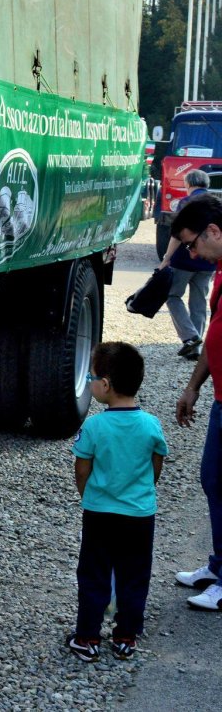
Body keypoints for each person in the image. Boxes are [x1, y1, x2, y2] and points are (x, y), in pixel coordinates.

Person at [66, 341, 167, 662]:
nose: (90, 382)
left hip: (100, 514)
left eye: (91, 377)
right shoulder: (151, 424)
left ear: (105, 385)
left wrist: (90, 495)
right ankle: (125, 637)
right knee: (134, 574)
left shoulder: (94, 426)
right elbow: (155, 465)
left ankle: (88, 637)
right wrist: (141, 491)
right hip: (139, 514)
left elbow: (82, 469)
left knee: (94, 572)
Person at [169, 192, 222, 610]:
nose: (192, 252)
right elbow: (214, 337)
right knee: (213, 480)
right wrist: (193, 386)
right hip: (221, 398)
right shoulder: (220, 271)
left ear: (213, 231)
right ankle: (218, 566)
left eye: (192, 243)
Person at [159, 169, 214, 360]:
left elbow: (176, 235)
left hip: (184, 260)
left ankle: (190, 337)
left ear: (189, 184)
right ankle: (195, 348)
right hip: (209, 263)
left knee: (173, 296)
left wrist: (166, 258)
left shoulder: (186, 203)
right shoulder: (215, 203)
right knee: (199, 303)